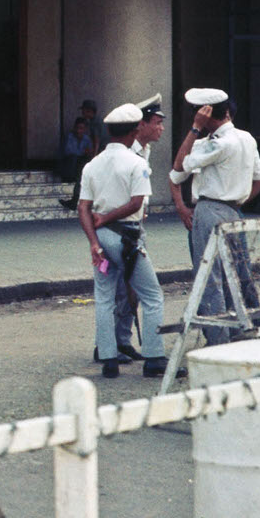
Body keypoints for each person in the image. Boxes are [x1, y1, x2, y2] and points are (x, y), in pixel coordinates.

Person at [77, 102, 168, 379]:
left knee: (104, 298)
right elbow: (136, 203)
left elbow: (83, 207)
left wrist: (94, 240)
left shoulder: (93, 165)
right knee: (152, 296)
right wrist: (108, 218)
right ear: (133, 131)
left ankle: (109, 360)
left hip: (102, 238)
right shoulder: (136, 163)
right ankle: (154, 359)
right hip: (127, 236)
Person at [169, 88, 260, 346]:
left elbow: (179, 166)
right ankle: (247, 326)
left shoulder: (217, 143)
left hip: (211, 209)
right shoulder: (246, 138)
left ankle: (218, 337)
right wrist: (238, 199)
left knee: (210, 275)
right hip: (234, 210)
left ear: (206, 113)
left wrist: (194, 129)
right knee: (240, 271)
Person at [61, 99, 104, 211]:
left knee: (82, 176)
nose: (83, 113)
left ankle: (75, 201)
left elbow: (97, 140)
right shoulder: (98, 121)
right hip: (102, 154)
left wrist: (93, 158)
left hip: (99, 155)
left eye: (84, 110)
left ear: (89, 111)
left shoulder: (94, 123)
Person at [60, 117, 92, 184]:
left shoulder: (87, 139)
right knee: (73, 158)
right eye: (77, 128)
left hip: (80, 164)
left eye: (81, 128)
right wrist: (82, 152)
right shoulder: (69, 137)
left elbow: (89, 151)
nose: (78, 131)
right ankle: (71, 179)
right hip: (69, 164)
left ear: (85, 129)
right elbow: (68, 151)